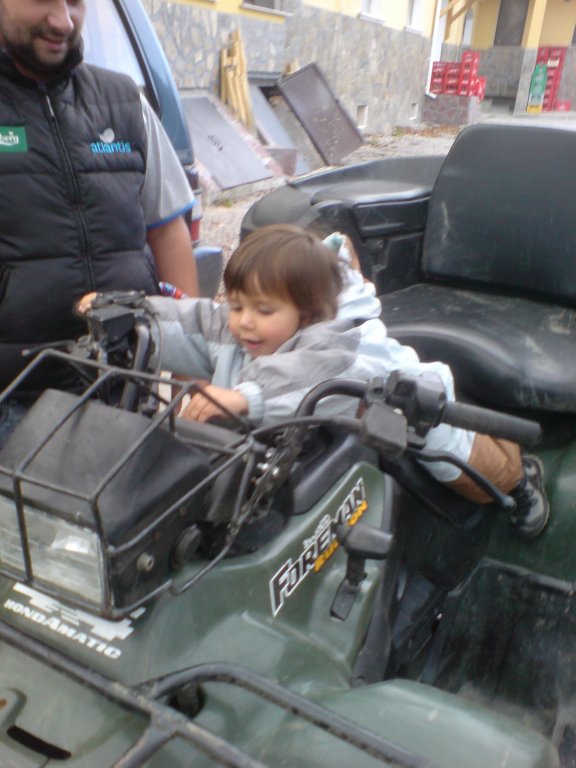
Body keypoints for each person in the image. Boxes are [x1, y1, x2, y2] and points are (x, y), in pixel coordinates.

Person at [139, 224, 549, 538]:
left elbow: (313, 372)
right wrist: (134, 320)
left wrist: (246, 397)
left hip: (406, 406)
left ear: (307, 311)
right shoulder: (245, 330)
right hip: (300, 427)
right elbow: (196, 323)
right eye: (236, 306)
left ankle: (519, 479)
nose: (244, 321)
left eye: (263, 310)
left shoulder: (336, 339)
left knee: (455, 460)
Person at [0, 0, 199, 431]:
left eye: (75, 1)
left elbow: (167, 229)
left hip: (129, 390)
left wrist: (192, 377)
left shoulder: (123, 100)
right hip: (14, 406)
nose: (62, 20)